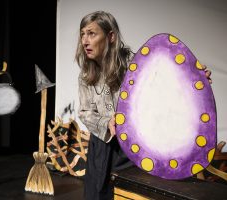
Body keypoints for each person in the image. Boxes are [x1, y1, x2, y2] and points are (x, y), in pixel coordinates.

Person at [75, 11, 212, 200]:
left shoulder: (135, 63)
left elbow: (163, 85)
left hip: (133, 148)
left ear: (111, 36)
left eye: (91, 33)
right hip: (102, 149)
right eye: (82, 34)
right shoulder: (86, 75)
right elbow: (84, 113)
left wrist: (194, 77)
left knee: (130, 193)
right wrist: (107, 122)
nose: (85, 41)